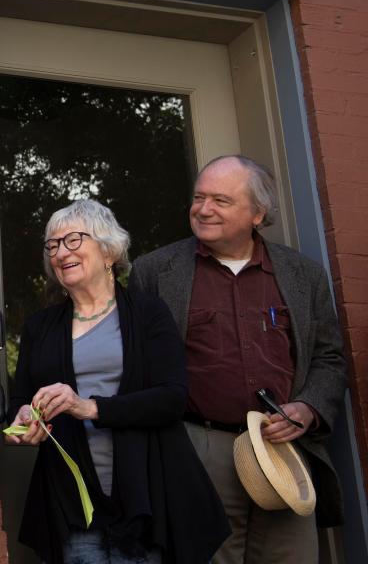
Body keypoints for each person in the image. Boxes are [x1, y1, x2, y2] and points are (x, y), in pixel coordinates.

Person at [130, 155, 348, 564]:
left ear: (258, 213)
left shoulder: (304, 275)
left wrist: (308, 407)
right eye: (199, 197)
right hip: (199, 446)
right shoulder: (155, 271)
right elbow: (139, 368)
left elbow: (329, 357)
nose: (204, 209)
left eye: (221, 200)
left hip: (283, 449)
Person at [7, 199, 229, 564]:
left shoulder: (149, 314)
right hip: (73, 504)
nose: (61, 253)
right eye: (53, 245)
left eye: (74, 240)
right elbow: (22, 399)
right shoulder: (39, 328)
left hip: (148, 494)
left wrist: (90, 407)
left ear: (108, 249)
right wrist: (26, 421)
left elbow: (172, 398)